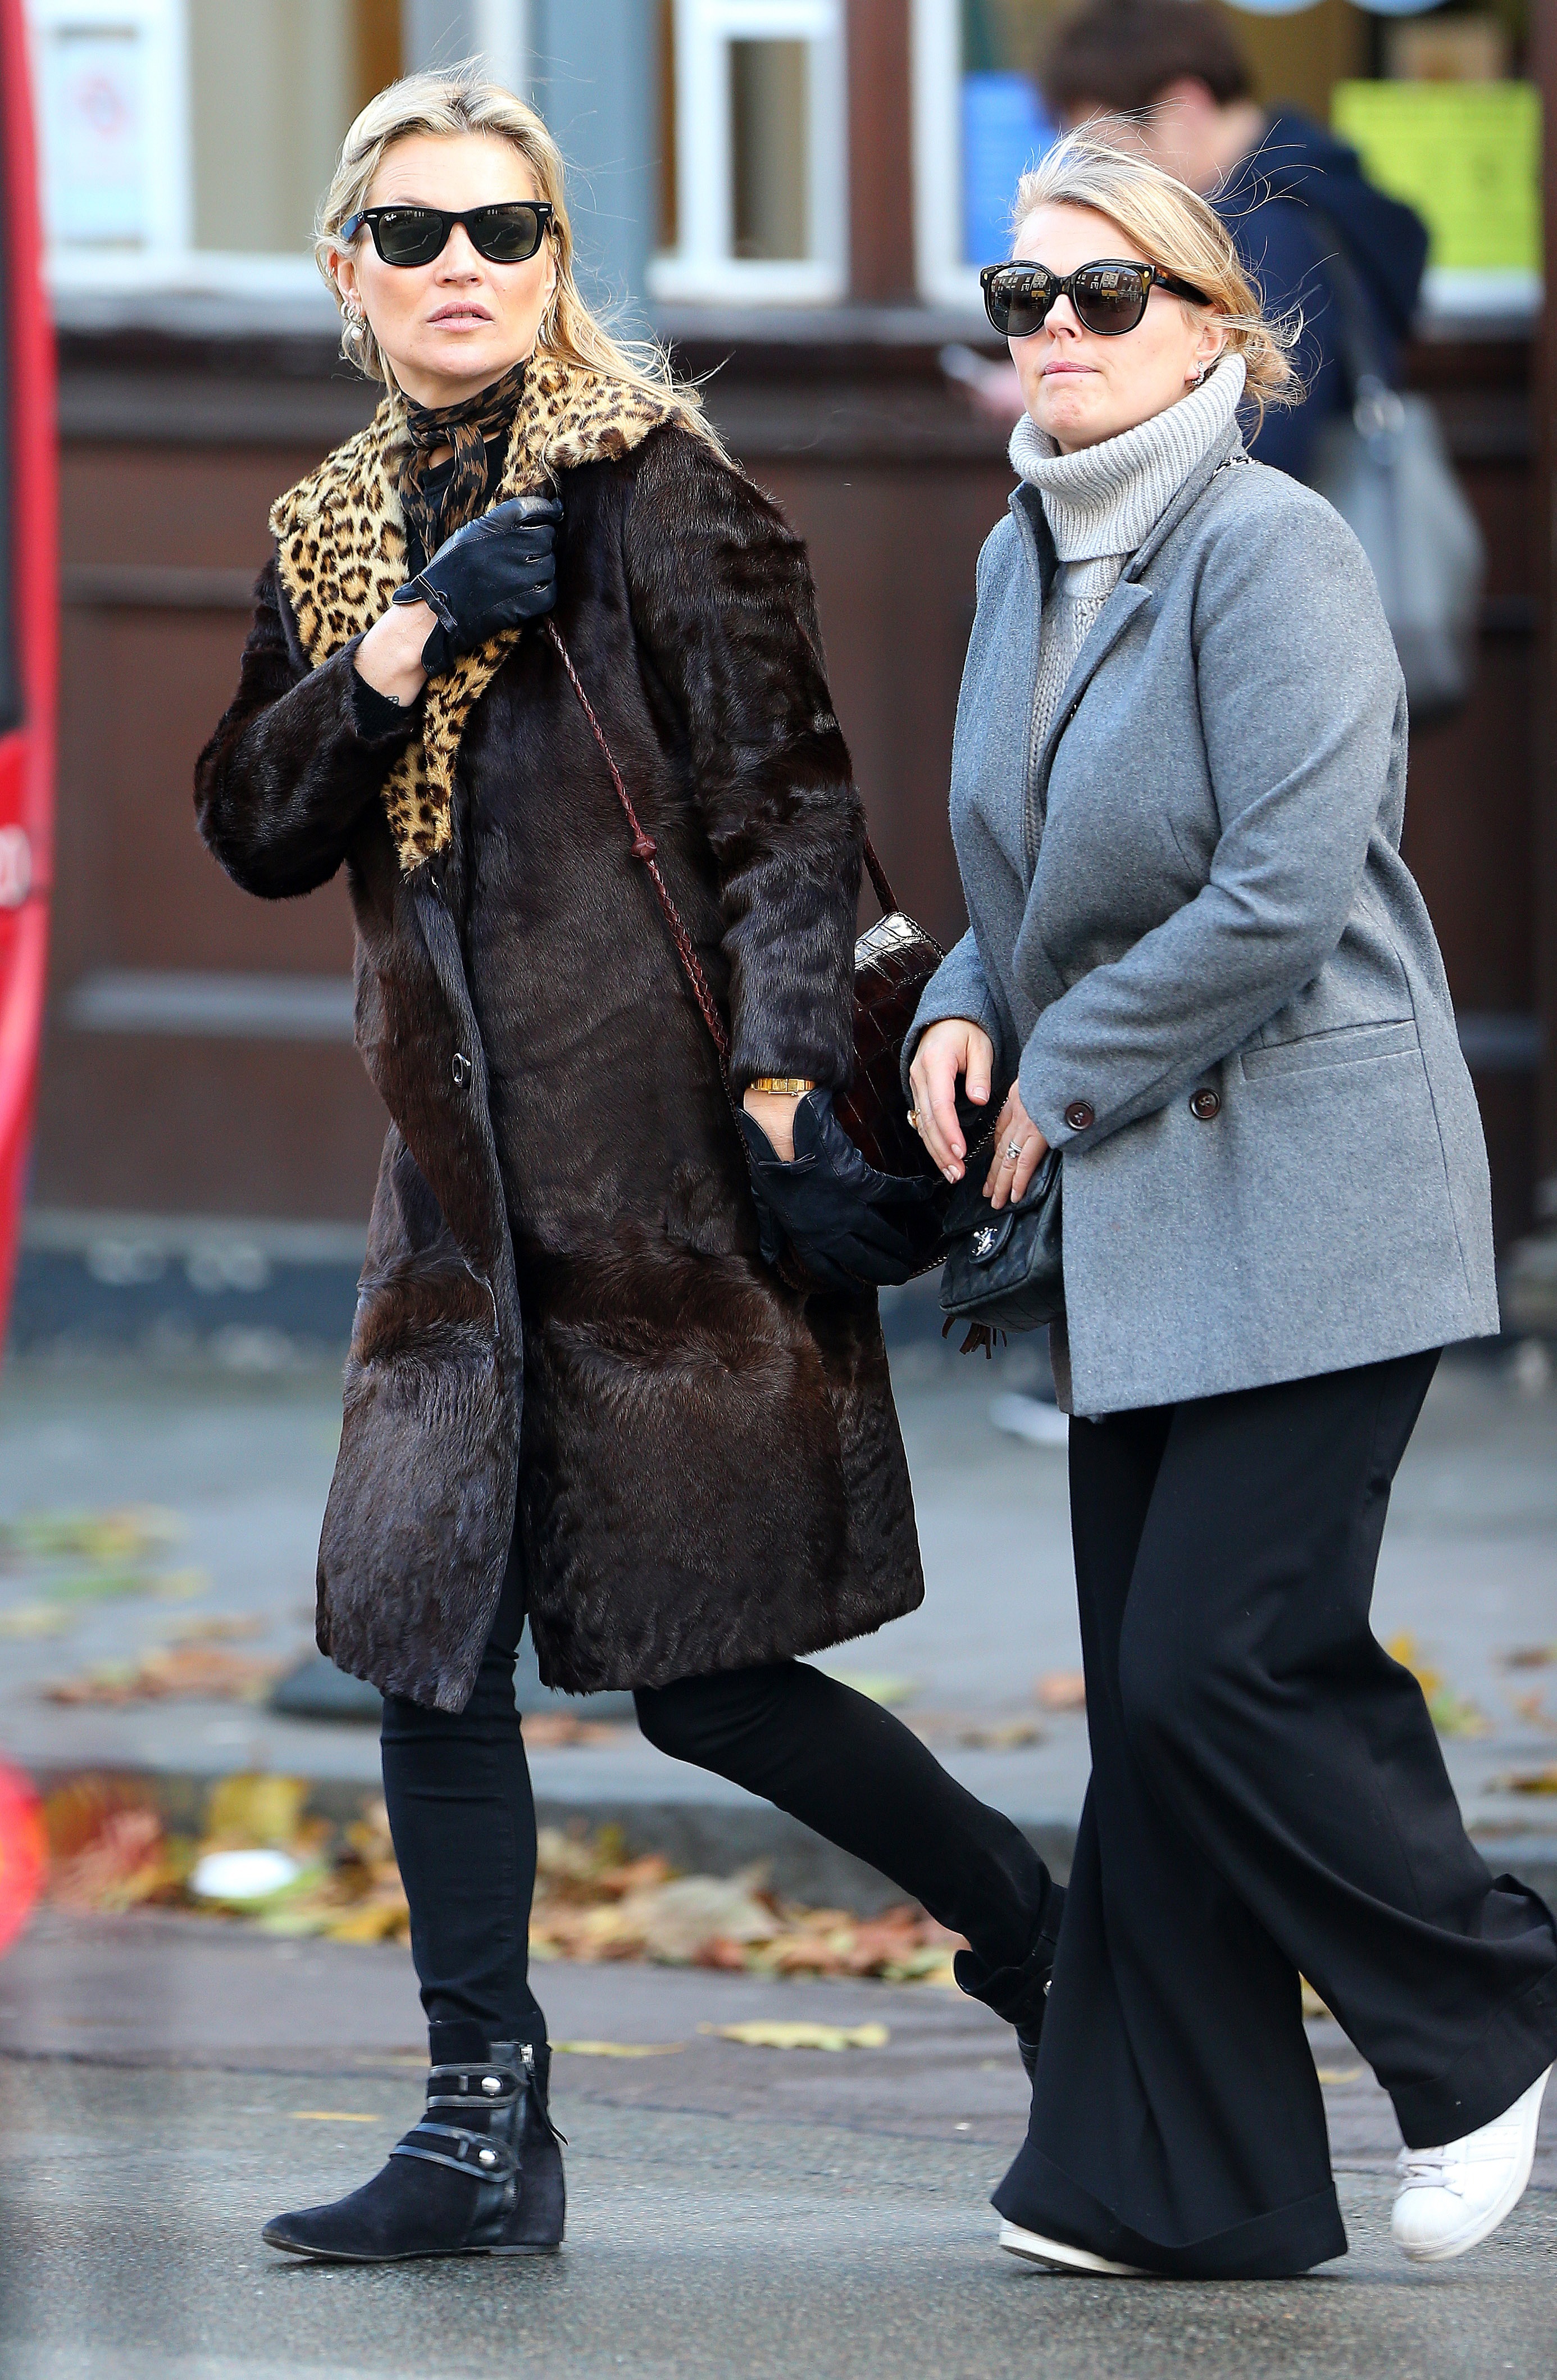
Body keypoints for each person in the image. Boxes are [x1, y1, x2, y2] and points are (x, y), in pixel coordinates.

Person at [195, 63, 1063, 2266]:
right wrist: (402, 644)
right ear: (348, 270)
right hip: (455, 1219)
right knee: (427, 1654)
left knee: (708, 1673)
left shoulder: (661, 492)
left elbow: (791, 824)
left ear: (557, 261)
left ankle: (1048, 1945)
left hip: (671, 1195)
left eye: (505, 230)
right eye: (415, 233)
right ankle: (480, 2128)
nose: (460, 267)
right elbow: (255, 824)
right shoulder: (329, 531)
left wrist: (779, 1098)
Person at [906, 128, 1556, 2279]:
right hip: (1149, 1213)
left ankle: (1491, 2010)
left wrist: (1061, 1066)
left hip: (1322, 1194)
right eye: (1025, 296)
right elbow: (1029, 872)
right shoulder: (1021, 553)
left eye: (1108, 294)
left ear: (1217, 333)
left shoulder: (1275, 549)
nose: (1059, 332)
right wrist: (966, 1010)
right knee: (1150, 1688)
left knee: (1222, 1661)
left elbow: (1280, 890)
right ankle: (1176, 2181)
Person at [1036, 0, 1428, 480]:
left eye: (1112, 153)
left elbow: (1260, 441)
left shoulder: (1267, 228)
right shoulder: (1305, 193)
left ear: (1186, 107)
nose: (1112, 181)